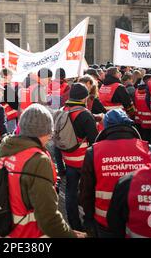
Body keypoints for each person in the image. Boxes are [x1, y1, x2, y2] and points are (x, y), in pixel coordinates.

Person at [0, 104, 86, 238]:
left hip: (8, 229)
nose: (50, 137)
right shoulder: (38, 161)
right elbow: (48, 218)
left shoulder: (4, 151)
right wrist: (71, 235)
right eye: (50, 133)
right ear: (42, 132)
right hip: (32, 232)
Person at [79, 109, 151, 238]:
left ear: (106, 128)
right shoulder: (149, 150)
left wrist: (89, 219)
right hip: (141, 222)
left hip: (105, 223)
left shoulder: (93, 152)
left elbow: (86, 192)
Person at [59, 83, 98, 231]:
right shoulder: (84, 113)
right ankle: (89, 221)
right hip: (84, 161)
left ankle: (74, 225)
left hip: (68, 160)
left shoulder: (63, 110)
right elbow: (95, 141)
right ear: (84, 98)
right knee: (89, 191)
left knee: (70, 192)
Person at [134, 75, 151, 144]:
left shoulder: (136, 90)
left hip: (140, 120)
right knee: (150, 141)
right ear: (148, 81)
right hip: (150, 121)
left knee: (143, 140)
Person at [0, 68, 19, 133]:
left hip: (4, 115)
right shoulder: (7, 87)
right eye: (11, 75)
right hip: (10, 116)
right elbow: (14, 105)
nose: (12, 77)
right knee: (11, 135)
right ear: (5, 76)